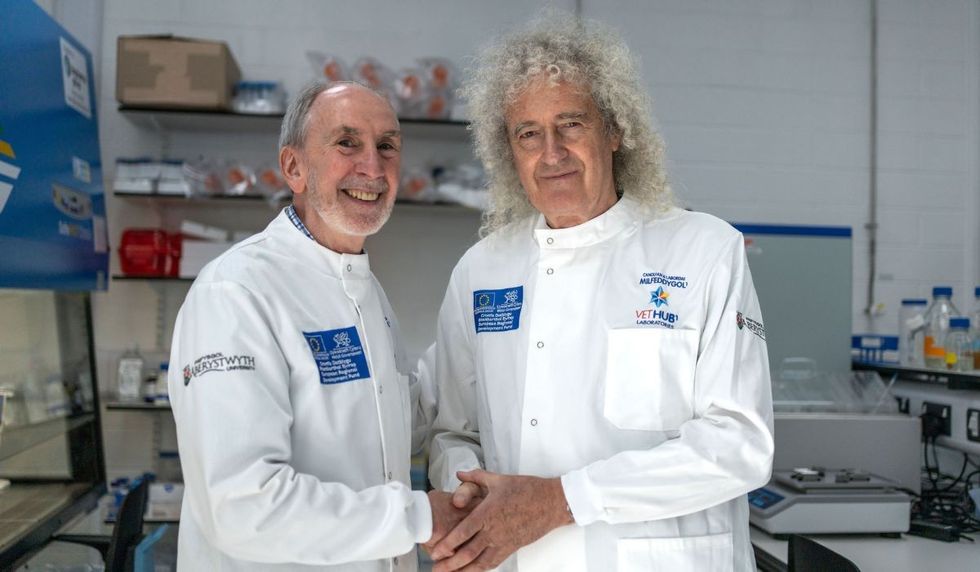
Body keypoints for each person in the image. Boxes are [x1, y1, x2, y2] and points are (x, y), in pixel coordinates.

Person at [426, 15, 774, 572]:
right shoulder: (483, 271)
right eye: (529, 134)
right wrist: (466, 487)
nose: (552, 152)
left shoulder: (703, 250)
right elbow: (452, 429)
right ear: (509, 152)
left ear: (614, 130)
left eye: (571, 125)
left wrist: (560, 501)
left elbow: (739, 445)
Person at [168, 81, 469, 571]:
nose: (372, 167)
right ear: (294, 167)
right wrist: (418, 517)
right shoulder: (236, 293)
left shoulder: (364, 290)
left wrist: (478, 336)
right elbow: (243, 506)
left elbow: (389, 420)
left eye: (387, 146)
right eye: (347, 143)